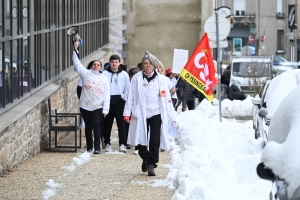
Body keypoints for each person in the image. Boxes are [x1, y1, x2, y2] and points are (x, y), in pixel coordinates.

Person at [123, 51, 176, 176]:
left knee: (155, 139)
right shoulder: (136, 78)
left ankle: (152, 164)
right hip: (140, 112)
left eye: (150, 63)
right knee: (141, 139)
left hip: (156, 112)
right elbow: (130, 96)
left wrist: (172, 116)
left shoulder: (162, 80)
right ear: (142, 65)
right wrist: (127, 112)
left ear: (154, 65)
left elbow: (167, 99)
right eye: (145, 63)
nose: (147, 65)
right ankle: (145, 157)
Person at [72, 40, 110, 154]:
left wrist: (105, 109)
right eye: (94, 64)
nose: (96, 66)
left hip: (97, 106)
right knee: (88, 126)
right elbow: (76, 63)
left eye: (98, 65)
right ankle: (89, 147)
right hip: (85, 105)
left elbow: (107, 95)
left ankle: (97, 147)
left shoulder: (104, 79)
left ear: (100, 67)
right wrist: (75, 49)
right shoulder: (86, 73)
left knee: (97, 125)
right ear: (91, 66)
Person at [103, 55, 130, 153]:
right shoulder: (104, 74)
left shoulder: (124, 74)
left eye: (116, 62)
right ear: (109, 63)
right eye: (112, 62)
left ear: (119, 63)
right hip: (108, 100)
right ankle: (107, 143)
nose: (114, 64)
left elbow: (128, 88)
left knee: (121, 123)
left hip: (120, 101)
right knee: (107, 124)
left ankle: (122, 144)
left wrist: (124, 98)